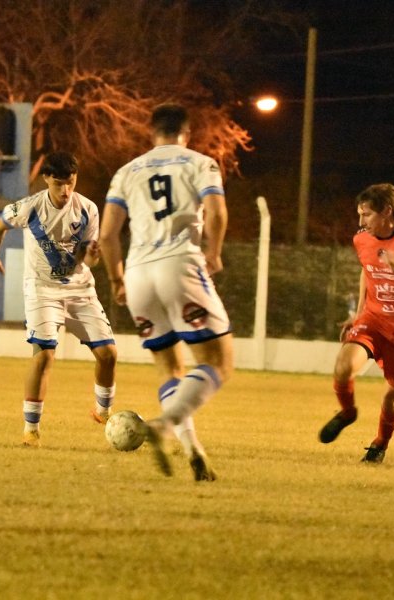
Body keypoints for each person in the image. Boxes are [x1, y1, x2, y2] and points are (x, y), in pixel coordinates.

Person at [99, 104, 233, 481]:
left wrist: (116, 278)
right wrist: (214, 252)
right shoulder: (200, 162)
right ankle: (164, 426)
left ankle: (193, 450)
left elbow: (108, 234)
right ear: (186, 133)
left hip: (139, 272)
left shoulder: (127, 172)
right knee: (218, 363)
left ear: (151, 133)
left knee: (169, 368)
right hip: (179, 264)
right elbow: (217, 213)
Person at [0, 151, 117, 448]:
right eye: (58, 184)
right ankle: (31, 429)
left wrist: (92, 257)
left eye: (70, 183)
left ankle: (104, 412)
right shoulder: (30, 207)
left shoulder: (88, 209)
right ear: (46, 180)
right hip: (41, 290)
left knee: (108, 354)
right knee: (44, 355)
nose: (65, 191)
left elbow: (86, 256)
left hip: (80, 289)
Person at [318, 183, 394, 463]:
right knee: (343, 368)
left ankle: (379, 444)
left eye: (367, 215)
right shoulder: (362, 239)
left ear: (387, 211)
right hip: (374, 321)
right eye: (360, 215)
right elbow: (367, 269)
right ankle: (348, 412)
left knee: (391, 400)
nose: (361, 222)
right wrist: (359, 314)